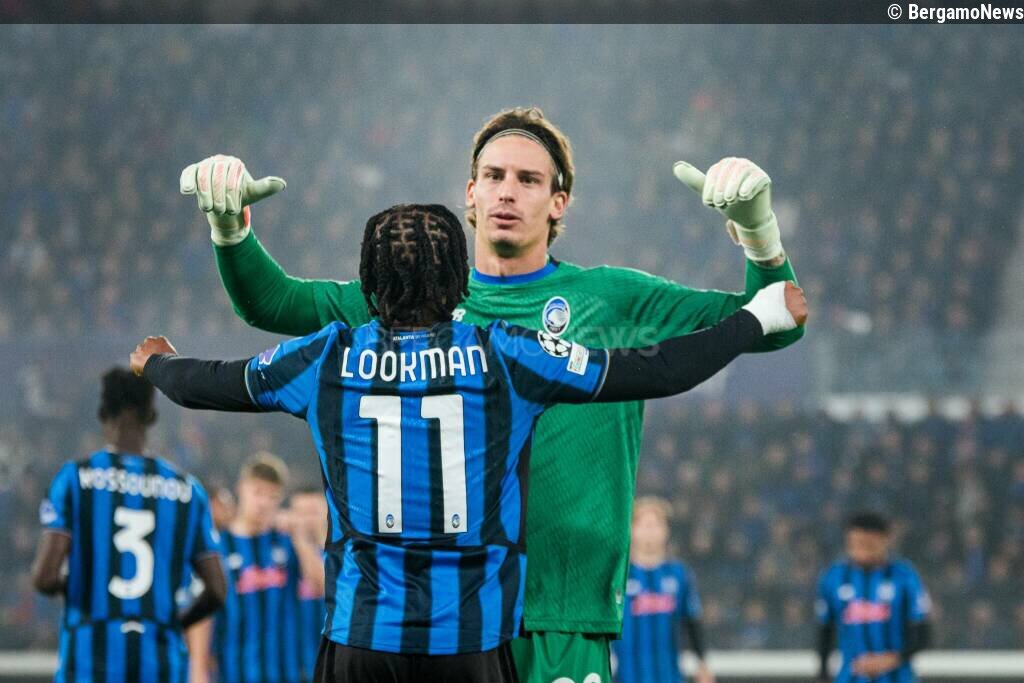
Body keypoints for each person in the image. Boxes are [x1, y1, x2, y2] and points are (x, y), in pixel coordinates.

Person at [179, 107, 804, 682]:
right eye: (494, 175)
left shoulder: (613, 299)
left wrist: (759, 234)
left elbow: (773, 321)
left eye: (529, 180)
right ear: (470, 193)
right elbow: (271, 302)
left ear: (559, 202)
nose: (508, 191)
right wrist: (229, 227)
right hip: (441, 626)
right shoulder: (405, 299)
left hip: (557, 616)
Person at [30, 367, 226, 682]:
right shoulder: (187, 489)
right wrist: (173, 623)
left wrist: (81, 585)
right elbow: (216, 590)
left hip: (89, 658)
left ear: (103, 414)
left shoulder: (75, 478)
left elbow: (44, 577)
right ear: (151, 416)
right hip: (159, 660)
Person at [188, 453, 319, 683]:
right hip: (233, 673)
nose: (263, 502)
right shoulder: (217, 547)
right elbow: (203, 614)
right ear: (241, 488)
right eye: (257, 492)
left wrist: (301, 539)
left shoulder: (287, 542)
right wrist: (198, 670)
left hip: (287, 673)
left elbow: (322, 586)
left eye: (272, 496)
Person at [816, 512, 932, 683]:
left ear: (885, 541)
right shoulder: (833, 577)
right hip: (850, 678)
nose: (861, 550)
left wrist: (891, 659)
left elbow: (923, 633)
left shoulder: (905, 576)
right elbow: (825, 631)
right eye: (856, 543)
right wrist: (823, 675)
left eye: (868, 544)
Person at [613, 497, 713, 683]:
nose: (650, 531)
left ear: (666, 531)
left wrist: (702, 664)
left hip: (669, 677)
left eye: (655, 525)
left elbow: (692, 622)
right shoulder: (618, 576)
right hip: (627, 677)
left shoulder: (679, 574)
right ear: (632, 530)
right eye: (644, 525)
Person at [284, 484, 330, 681]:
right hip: (291, 664)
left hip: (329, 662)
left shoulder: (341, 554)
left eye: (312, 512)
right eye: (300, 513)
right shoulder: (282, 553)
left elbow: (322, 584)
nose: (306, 520)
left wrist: (302, 541)